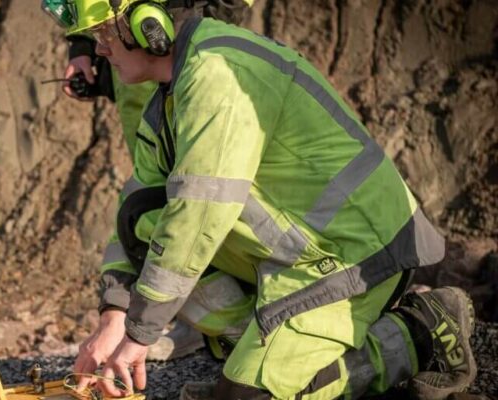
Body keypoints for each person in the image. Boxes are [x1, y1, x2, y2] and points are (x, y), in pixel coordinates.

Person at [42, 1, 478, 399]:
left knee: (248, 398)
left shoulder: (217, 74)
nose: (98, 50)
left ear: (148, 26)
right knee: (144, 217)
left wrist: (139, 333)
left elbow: (197, 218)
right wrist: (114, 315)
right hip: (297, 254)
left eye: (103, 33)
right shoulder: (170, 100)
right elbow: (135, 206)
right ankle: (255, 358)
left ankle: (418, 332)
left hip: (352, 255)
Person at [52, 0, 257, 363]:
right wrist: (85, 45)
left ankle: (250, 329)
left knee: (201, 198)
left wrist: (210, 29)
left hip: (174, 37)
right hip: (136, 48)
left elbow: (199, 209)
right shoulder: (113, 46)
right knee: (150, 201)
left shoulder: (214, 79)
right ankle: (201, 324)